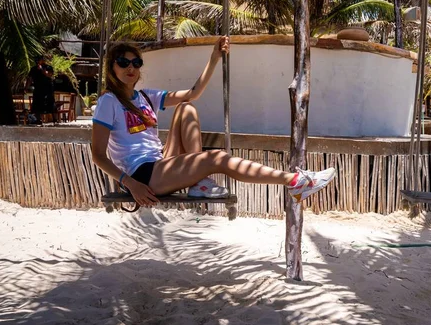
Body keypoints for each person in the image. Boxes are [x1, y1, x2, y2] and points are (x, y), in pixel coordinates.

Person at [91, 37, 336, 207]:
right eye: (123, 62)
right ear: (112, 68)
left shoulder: (146, 97)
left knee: (187, 107)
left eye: (136, 63)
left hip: (159, 163)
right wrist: (130, 184)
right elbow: (98, 156)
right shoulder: (109, 101)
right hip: (140, 175)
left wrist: (214, 57)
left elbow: (193, 92)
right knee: (217, 158)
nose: (130, 67)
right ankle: (294, 181)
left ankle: (199, 183)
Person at [27, 55, 56, 124]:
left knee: (50, 102)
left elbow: (49, 75)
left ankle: (54, 118)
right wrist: (27, 87)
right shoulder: (33, 69)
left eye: (39, 59)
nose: (37, 61)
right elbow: (30, 79)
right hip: (38, 88)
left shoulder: (48, 67)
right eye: (36, 60)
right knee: (36, 103)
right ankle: (38, 119)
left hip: (47, 89)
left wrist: (42, 69)